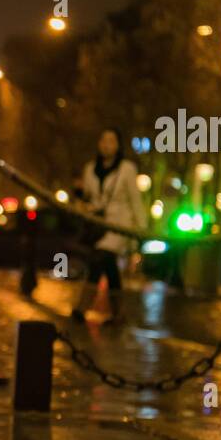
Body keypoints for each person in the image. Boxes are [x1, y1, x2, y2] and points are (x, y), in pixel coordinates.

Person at [72, 127, 146, 324]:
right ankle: (118, 313)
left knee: (101, 258)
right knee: (108, 265)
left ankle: (82, 307)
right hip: (99, 226)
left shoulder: (127, 169)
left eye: (111, 141)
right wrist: (80, 198)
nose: (107, 145)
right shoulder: (90, 169)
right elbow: (89, 198)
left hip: (120, 226)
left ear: (118, 145)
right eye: (103, 140)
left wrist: (141, 229)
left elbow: (135, 199)